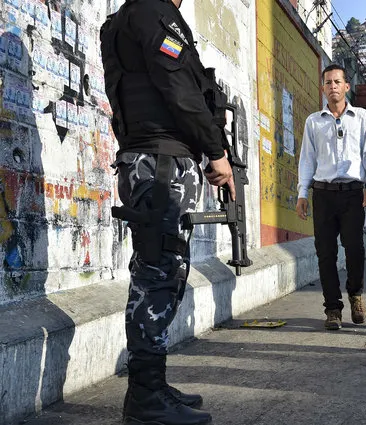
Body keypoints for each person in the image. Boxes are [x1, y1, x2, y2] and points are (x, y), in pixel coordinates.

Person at [100, 0, 235, 423]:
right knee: (158, 276)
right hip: (160, 164)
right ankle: (145, 397)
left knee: (159, 271)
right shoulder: (153, 12)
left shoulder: (121, 20)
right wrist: (215, 150)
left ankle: (152, 385)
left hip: (150, 159)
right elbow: (178, 88)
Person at [296, 64, 366, 330]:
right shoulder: (314, 121)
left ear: (347, 86)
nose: (332, 86)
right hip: (323, 194)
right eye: (328, 82)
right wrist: (302, 193)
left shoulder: (362, 117)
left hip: (353, 194)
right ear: (323, 89)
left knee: (355, 249)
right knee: (325, 254)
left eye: (337, 82)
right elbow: (307, 160)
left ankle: (355, 295)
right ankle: (332, 309)